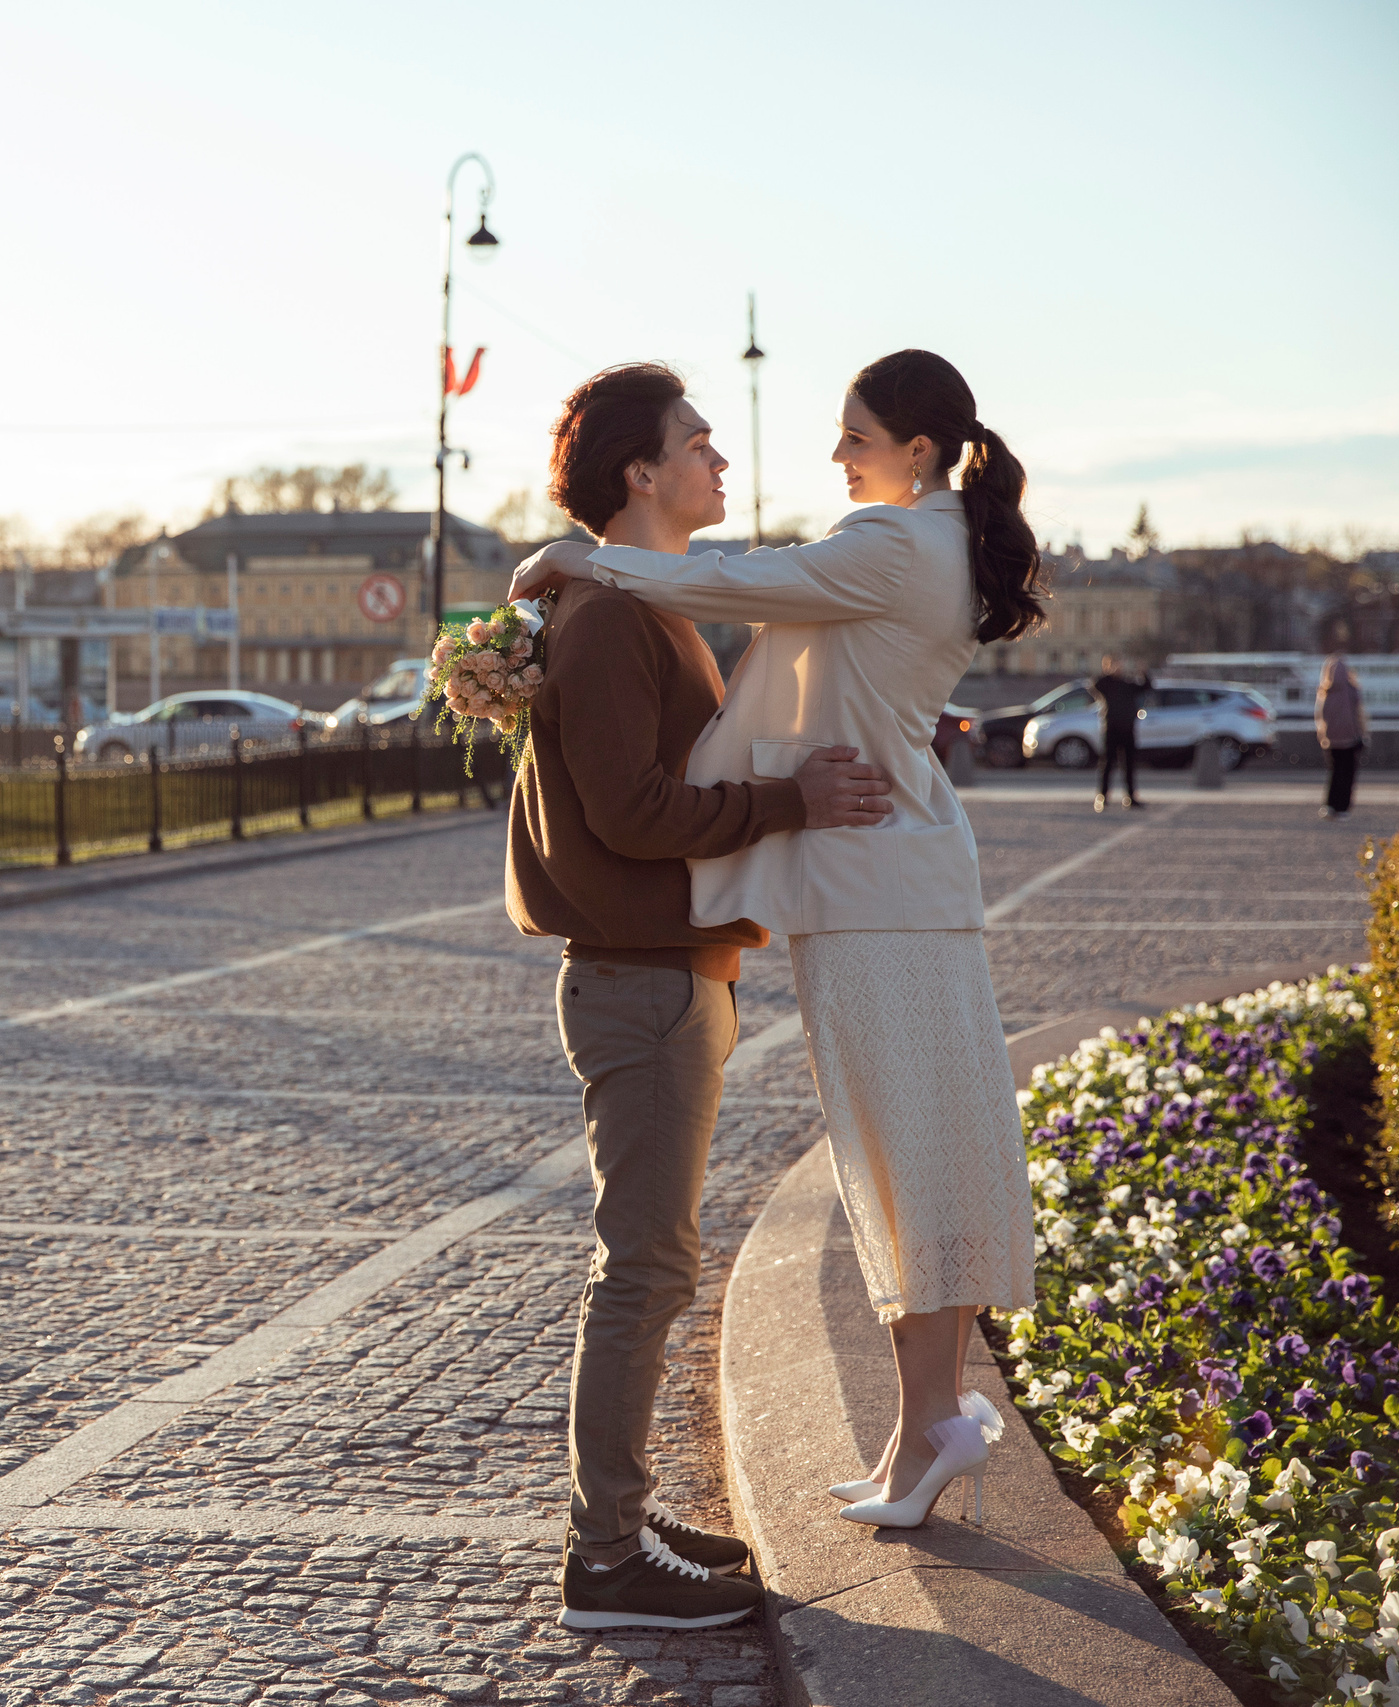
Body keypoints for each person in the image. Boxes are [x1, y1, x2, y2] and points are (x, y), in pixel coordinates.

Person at [514, 348, 1043, 1538]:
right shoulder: (926, 536)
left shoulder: (899, 543)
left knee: (910, 1156)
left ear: (915, 450)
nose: (834, 456)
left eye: (853, 437)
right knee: (919, 1152)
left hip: (875, 886)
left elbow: (744, 578)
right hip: (892, 878)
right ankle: (924, 1426)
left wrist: (582, 560)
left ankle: (932, 1424)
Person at [509, 364, 894, 1631]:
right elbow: (632, 810)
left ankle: (615, 1520)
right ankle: (605, 1562)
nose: (720, 463)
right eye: (698, 442)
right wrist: (792, 803)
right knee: (646, 1267)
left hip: (668, 973)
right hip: (646, 980)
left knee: (650, 1262)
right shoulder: (618, 617)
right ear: (639, 472)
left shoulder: (636, 601)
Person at [1090, 654, 1151, 810]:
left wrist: (1143, 672)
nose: (1119, 668)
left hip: (1127, 728)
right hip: (1111, 728)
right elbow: (1095, 685)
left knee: (1129, 764)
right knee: (1107, 764)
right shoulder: (1107, 683)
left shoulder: (1127, 684)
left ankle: (1130, 797)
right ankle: (1103, 796)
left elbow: (1146, 687)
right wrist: (1108, 670)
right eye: (1115, 665)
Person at [1318, 654, 1366, 819]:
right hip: (1350, 738)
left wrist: (1323, 735)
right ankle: (1343, 807)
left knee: (1334, 773)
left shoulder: (1325, 690)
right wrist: (1362, 733)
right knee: (1347, 774)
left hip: (1331, 740)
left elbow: (1321, 715)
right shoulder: (1351, 690)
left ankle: (1331, 805)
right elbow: (1359, 714)